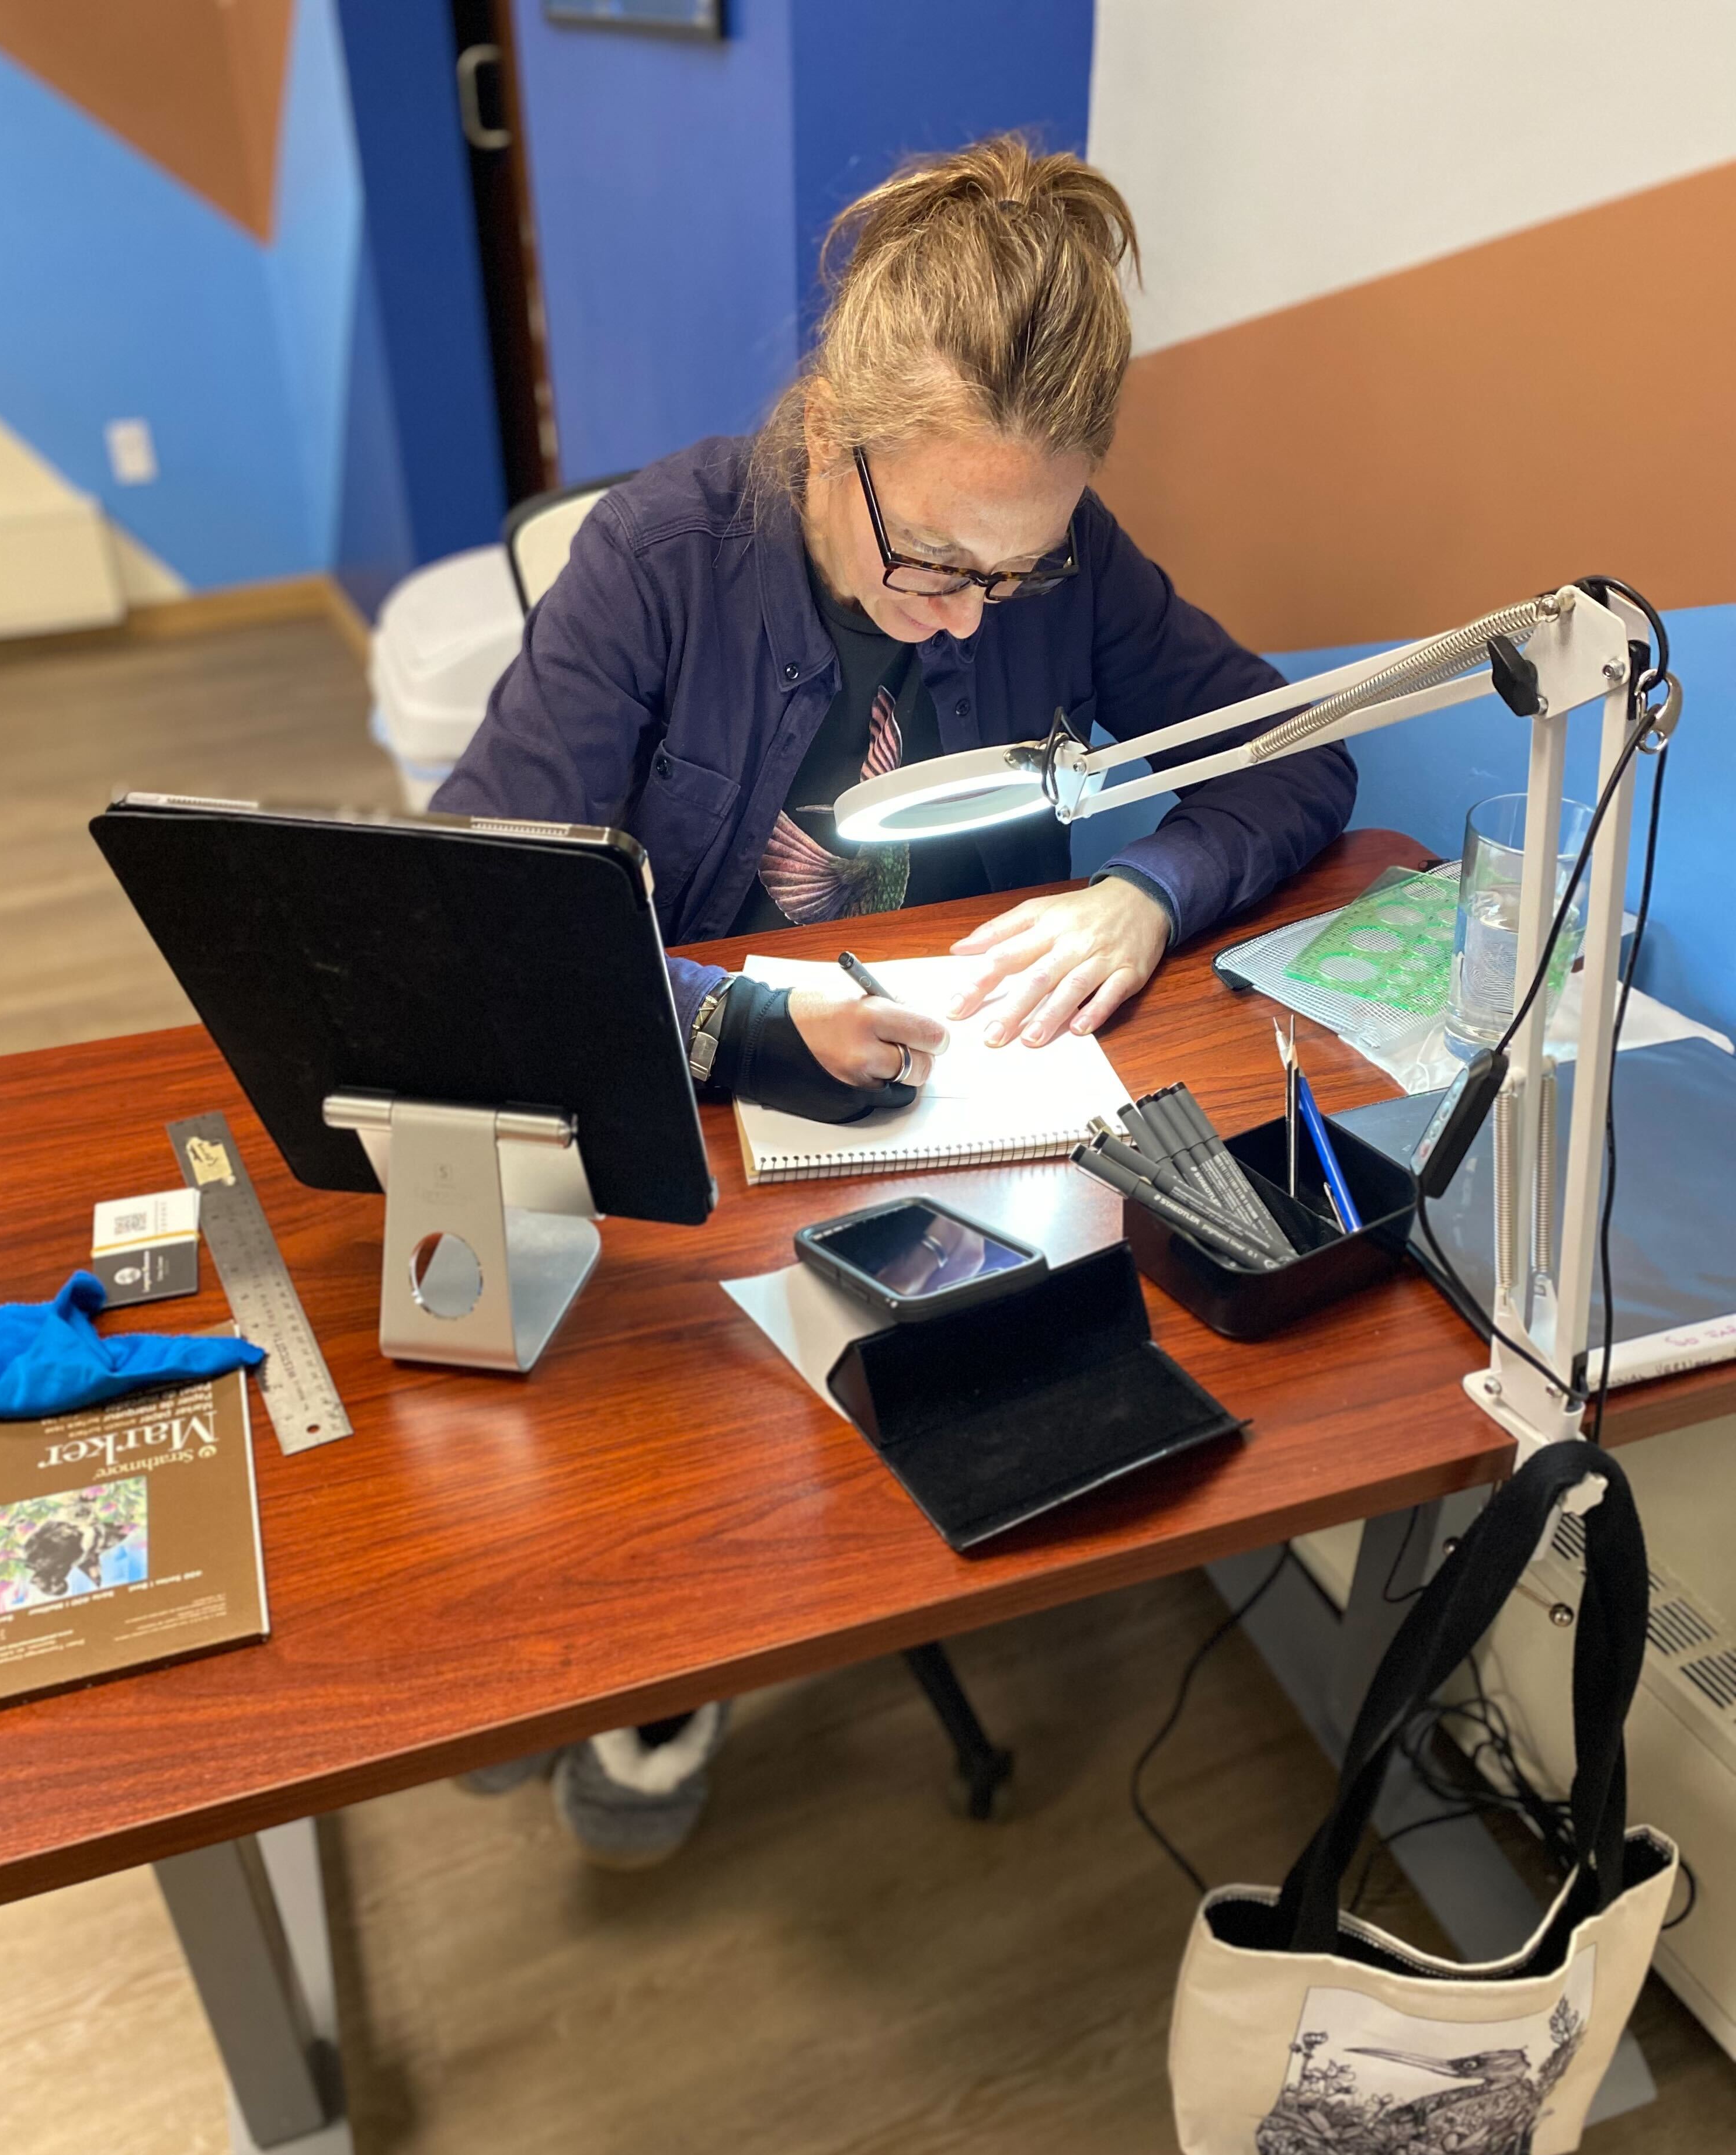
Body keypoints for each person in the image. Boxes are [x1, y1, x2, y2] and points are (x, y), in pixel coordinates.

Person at [434, 134, 1355, 1864]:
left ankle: (783, 1560)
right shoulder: (658, 558)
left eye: (1014, 573)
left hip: (958, 1095)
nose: (961, 625)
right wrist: (757, 1023)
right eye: (933, 559)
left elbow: (1294, 764)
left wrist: (1141, 895)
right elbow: (483, 907)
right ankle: (652, 1656)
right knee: (625, 1469)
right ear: (827, 432)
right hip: (694, 1103)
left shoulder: (1060, 569)